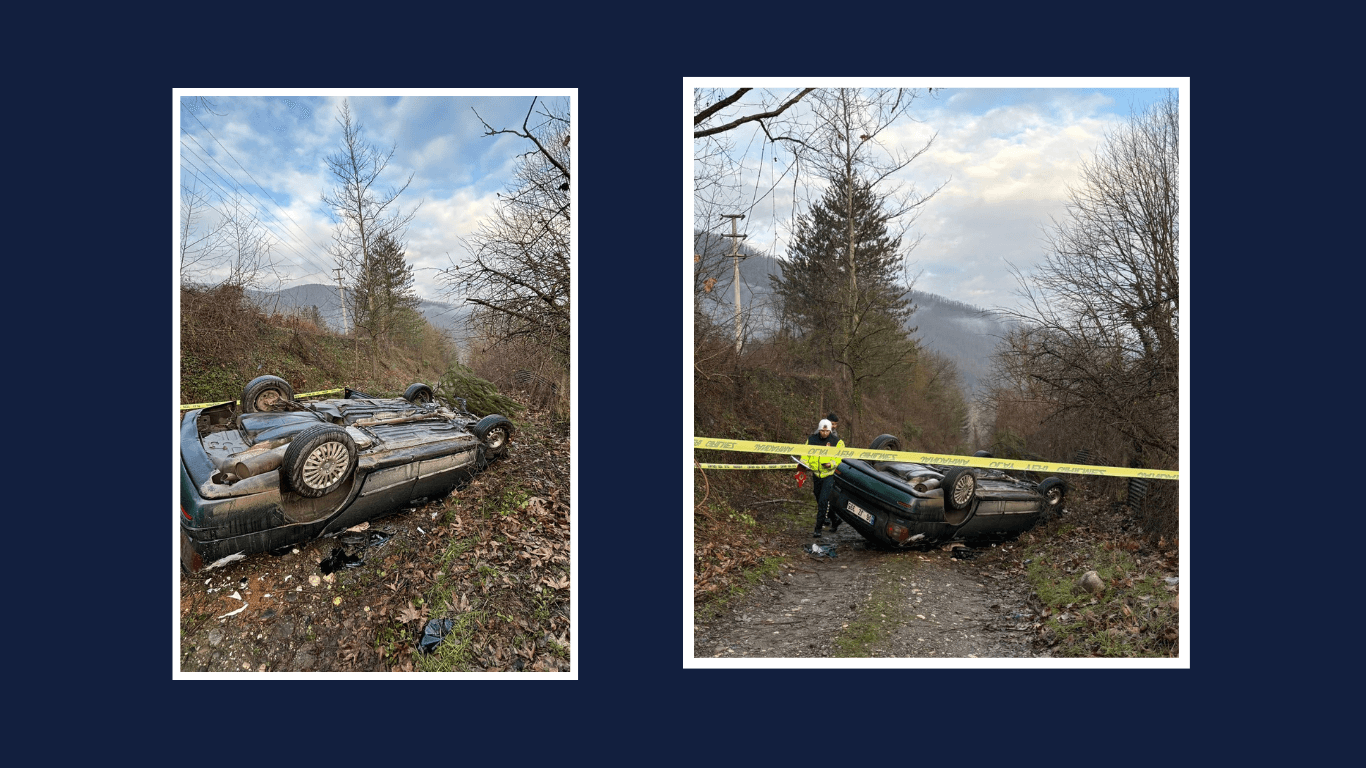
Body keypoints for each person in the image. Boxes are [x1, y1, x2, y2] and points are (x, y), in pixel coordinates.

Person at [803, 418, 844, 538]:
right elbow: (805, 453)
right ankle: (835, 520)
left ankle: (818, 528)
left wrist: (831, 464)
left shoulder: (837, 442)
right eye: (822, 431)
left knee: (823, 501)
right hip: (816, 474)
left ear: (830, 430)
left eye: (827, 431)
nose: (825, 433)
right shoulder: (811, 440)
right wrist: (803, 463)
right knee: (819, 497)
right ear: (819, 430)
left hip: (829, 475)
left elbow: (839, 458)